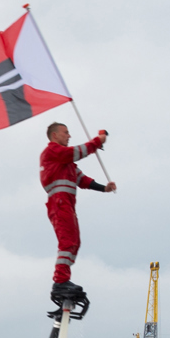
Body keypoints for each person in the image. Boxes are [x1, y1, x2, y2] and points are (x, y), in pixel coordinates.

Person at [40, 122, 114, 315]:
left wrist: (103, 188)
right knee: (67, 242)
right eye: (66, 133)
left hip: (66, 204)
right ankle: (60, 281)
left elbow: (81, 179)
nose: (69, 135)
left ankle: (63, 280)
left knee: (74, 242)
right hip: (60, 202)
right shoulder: (53, 152)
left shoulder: (66, 163)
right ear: (55, 135)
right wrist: (97, 142)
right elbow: (77, 152)